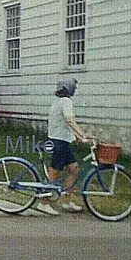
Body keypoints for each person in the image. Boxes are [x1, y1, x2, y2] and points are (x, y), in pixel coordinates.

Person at [38, 78, 93, 215]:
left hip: (62, 141)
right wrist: (82, 134)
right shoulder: (66, 101)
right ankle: (43, 203)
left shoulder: (58, 101)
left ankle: (66, 201)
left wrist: (79, 137)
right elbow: (69, 120)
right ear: (69, 89)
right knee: (54, 174)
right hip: (59, 142)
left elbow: (64, 123)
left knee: (74, 170)